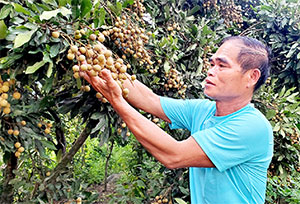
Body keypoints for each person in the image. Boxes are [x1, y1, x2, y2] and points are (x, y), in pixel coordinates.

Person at [81, 36, 273, 204]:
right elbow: (151, 100)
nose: (211, 71)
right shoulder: (203, 110)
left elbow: (174, 155)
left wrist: (117, 101)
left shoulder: (252, 127)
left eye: (222, 65)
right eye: (212, 64)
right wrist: (100, 55)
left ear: (251, 77)